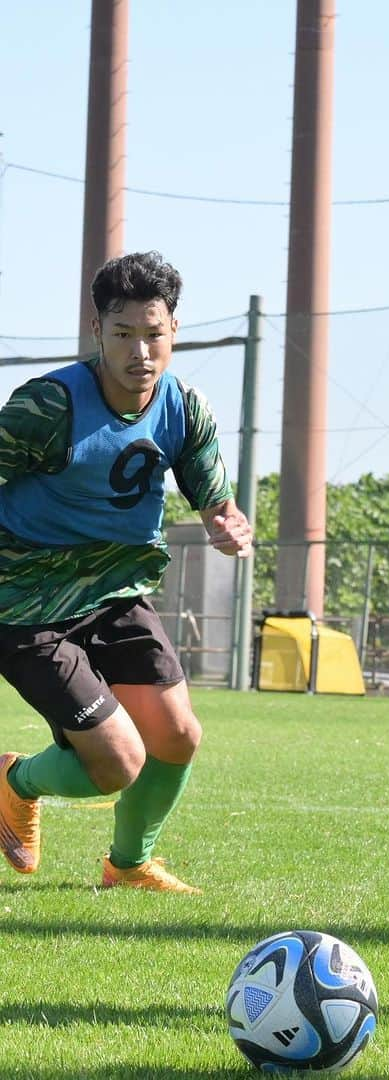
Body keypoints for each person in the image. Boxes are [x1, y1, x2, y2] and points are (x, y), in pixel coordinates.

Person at [0, 250, 252, 893]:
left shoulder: (184, 408)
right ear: (97, 333)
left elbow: (216, 499)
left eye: (154, 334)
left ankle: (129, 864)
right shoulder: (48, 406)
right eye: (124, 334)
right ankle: (14, 782)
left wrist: (227, 524)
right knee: (118, 763)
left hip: (118, 594)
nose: (141, 351)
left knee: (177, 736)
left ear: (173, 333)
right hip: (27, 607)